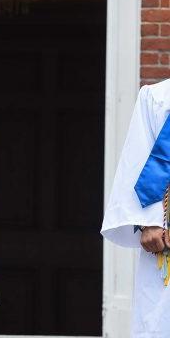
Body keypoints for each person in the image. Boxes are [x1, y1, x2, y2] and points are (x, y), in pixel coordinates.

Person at [101, 79, 170, 338]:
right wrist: (149, 221)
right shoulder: (158, 97)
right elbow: (138, 156)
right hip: (167, 234)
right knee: (161, 318)